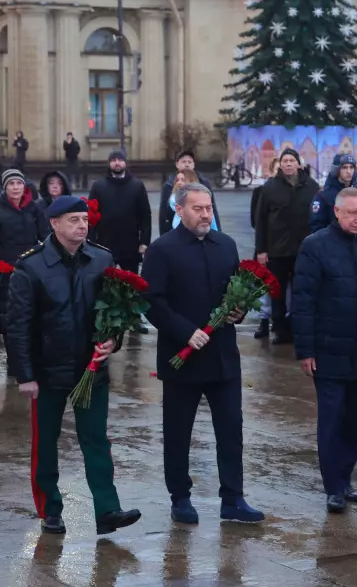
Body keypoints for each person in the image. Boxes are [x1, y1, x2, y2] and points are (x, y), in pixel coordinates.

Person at [7, 195, 141, 535]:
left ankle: (108, 510)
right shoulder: (31, 266)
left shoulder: (102, 258)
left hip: (90, 369)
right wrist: (25, 375)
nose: (82, 225)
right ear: (54, 224)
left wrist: (114, 340)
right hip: (47, 372)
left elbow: (115, 308)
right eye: (73, 220)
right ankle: (51, 510)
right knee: (46, 442)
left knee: (96, 440)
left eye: (84, 219)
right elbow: (17, 325)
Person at [142, 183, 264, 525]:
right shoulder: (162, 250)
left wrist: (239, 312)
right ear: (179, 210)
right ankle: (180, 497)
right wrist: (184, 332)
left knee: (231, 429)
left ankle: (233, 499)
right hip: (182, 356)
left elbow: (232, 294)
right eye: (198, 209)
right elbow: (152, 302)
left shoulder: (225, 244)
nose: (206, 215)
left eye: (209, 208)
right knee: (179, 432)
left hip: (223, 357)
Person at [292, 188, 357, 513]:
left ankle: (347, 479)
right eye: (352, 213)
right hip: (327, 349)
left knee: (353, 420)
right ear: (337, 212)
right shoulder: (315, 246)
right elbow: (303, 302)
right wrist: (305, 350)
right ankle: (333, 486)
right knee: (332, 419)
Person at [254, 148, 320, 345]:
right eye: (285, 161)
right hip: (277, 250)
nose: (288, 164)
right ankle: (280, 330)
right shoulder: (270, 187)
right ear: (280, 164)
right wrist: (261, 249)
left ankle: (298, 329)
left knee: (302, 292)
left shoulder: (311, 187)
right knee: (277, 293)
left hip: (303, 250)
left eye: (292, 160)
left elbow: (317, 219)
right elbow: (261, 220)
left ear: (298, 164)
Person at [0, 169, 49, 346]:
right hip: (5, 270)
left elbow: (45, 236)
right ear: (5, 188)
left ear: (24, 185)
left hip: (30, 268)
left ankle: (30, 353)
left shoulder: (34, 208)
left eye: (18, 183)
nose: (15, 187)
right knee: (8, 312)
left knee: (31, 311)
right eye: (11, 184)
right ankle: (13, 356)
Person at [87, 151, 152, 277]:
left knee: (130, 284)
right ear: (109, 163)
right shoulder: (98, 186)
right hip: (104, 244)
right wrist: (91, 242)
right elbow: (91, 216)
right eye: (113, 160)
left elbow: (145, 215)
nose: (117, 163)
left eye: (120, 160)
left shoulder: (137, 185)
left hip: (130, 245)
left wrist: (144, 242)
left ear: (125, 163)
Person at [251, 157, 279, 340]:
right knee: (263, 287)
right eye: (277, 169)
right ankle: (263, 321)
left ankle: (279, 321)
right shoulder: (261, 191)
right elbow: (255, 220)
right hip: (266, 246)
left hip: (285, 248)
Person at [159, 151, 218, 236]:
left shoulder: (204, 183)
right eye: (183, 162)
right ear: (177, 164)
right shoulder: (169, 185)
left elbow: (213, 210)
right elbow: (163, 214)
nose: (187, 165)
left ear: (194, 165)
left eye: (189, 162)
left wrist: (217, 233)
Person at [310, 153, 357, 233]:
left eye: (351, 167)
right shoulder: (323, 196)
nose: (349, 171)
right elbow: (316, 226)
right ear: (337, 169)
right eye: (344, 168)